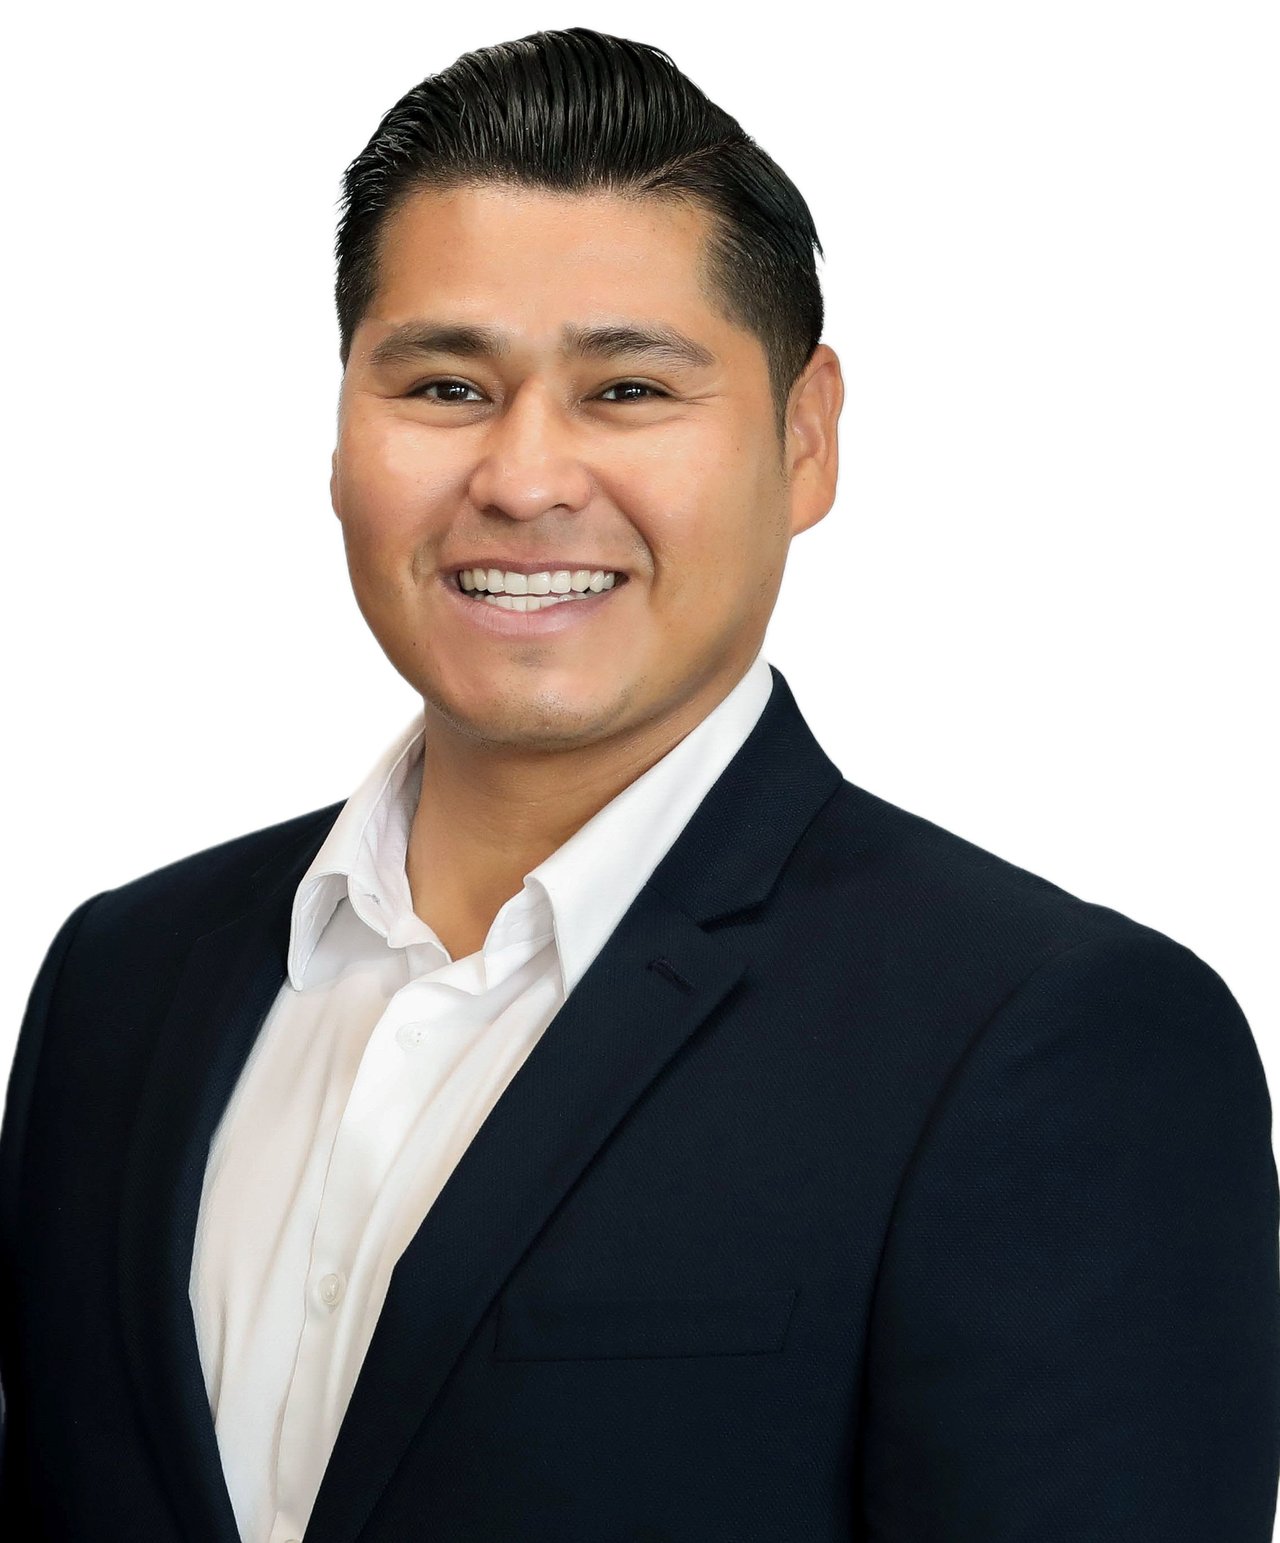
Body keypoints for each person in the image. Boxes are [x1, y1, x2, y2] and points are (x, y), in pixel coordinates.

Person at [1, 25, 1276, 1543]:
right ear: (340, 427)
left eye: (625, 390)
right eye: (446, 386)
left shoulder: (1048, 1040)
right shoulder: (122, 981)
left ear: (806, 439)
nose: (525, 479)